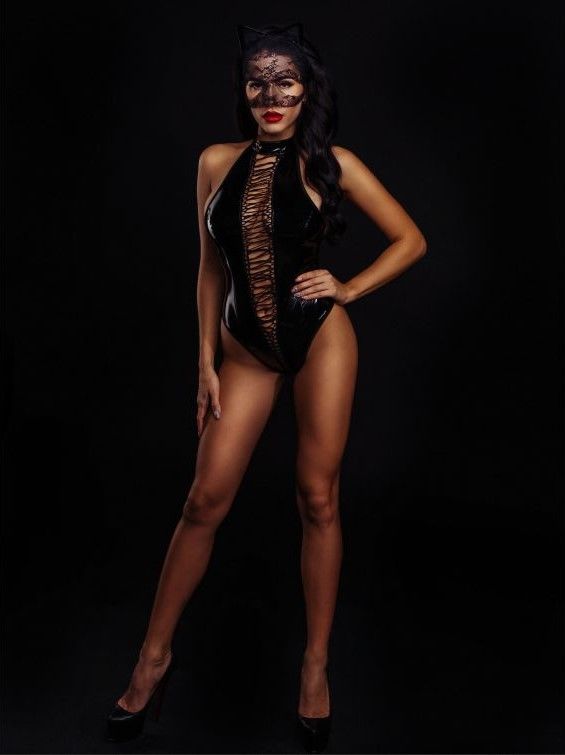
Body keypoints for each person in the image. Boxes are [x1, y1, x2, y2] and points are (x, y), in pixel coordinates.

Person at [106, 21, 427, 753]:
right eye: (258, 82)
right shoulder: (214, 161)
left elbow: (411, 239)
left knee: (318, 498)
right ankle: (153, 658)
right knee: (203, 501)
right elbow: (208, 267)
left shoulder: (332, 163)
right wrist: (203, 361)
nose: (271, 94)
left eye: (285, 81)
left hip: (320, 339)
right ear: (244, 91)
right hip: (242, 349)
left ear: (307, 90)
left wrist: (349, 287)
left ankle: (314, 666)